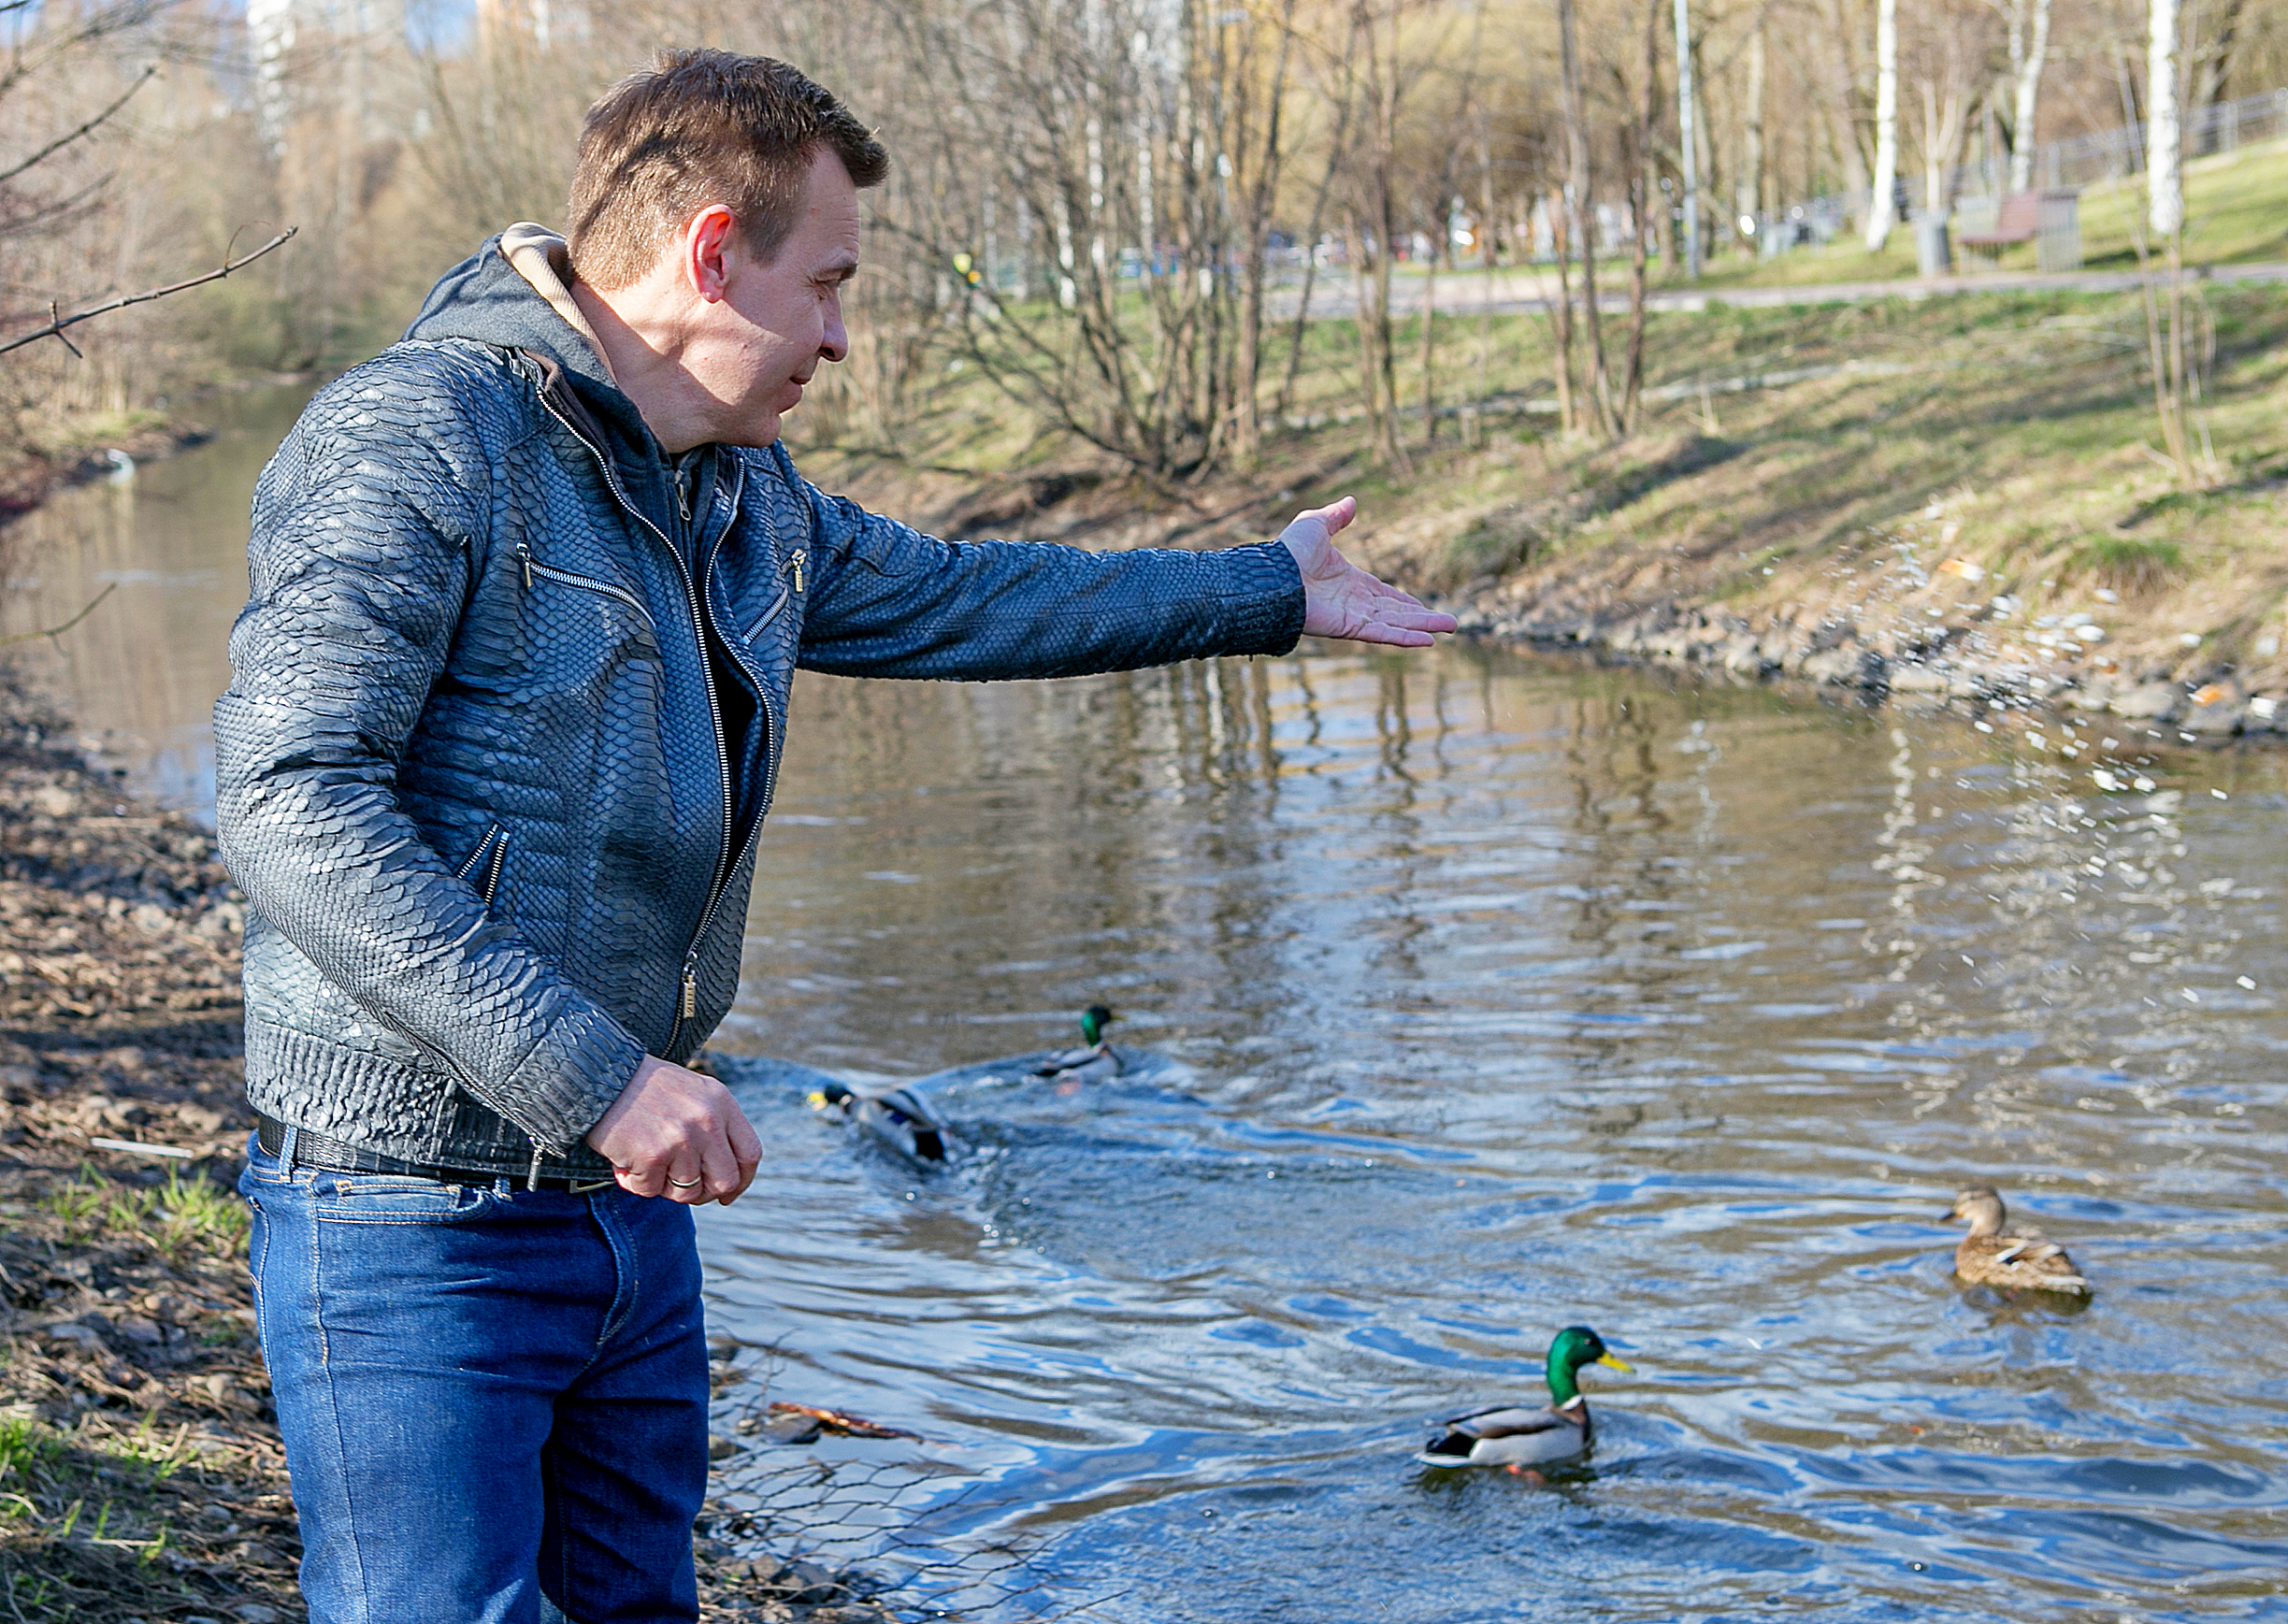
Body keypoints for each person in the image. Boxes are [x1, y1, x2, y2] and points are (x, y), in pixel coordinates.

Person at [213, 48, 1452, 1624]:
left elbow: (975, 595)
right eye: (828, 284)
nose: (842, 338)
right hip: (409, 1215)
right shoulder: (417, 438)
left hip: (631, 1208)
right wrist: (602, 1080)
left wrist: (1267, 590)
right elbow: (291, 795)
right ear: (712, 253)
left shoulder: (745, 496)